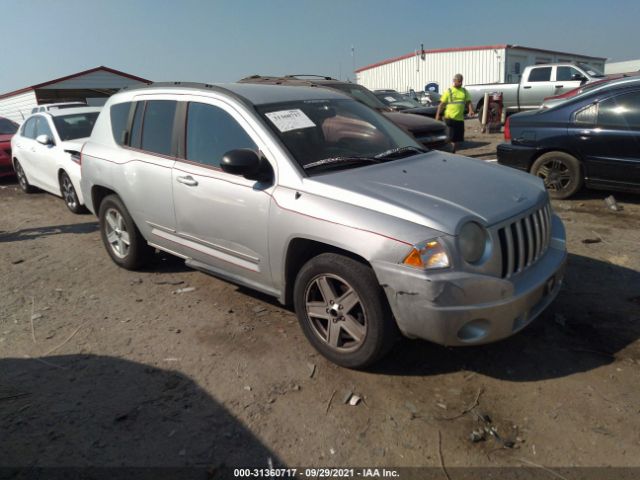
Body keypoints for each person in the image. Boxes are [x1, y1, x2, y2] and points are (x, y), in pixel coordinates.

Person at [435, 73, 475, 153]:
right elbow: (441, 105)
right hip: (449, 118)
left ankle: (452, 151)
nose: (460, 83)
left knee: (457, 139)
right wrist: (437, 116)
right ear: (454, 81)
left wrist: (471, 110)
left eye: (461, 81)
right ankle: (450, 152)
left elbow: (468, 102)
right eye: (458, 81)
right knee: (450, 138)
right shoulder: (449, 91)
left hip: (459, 119)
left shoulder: (464, 91)